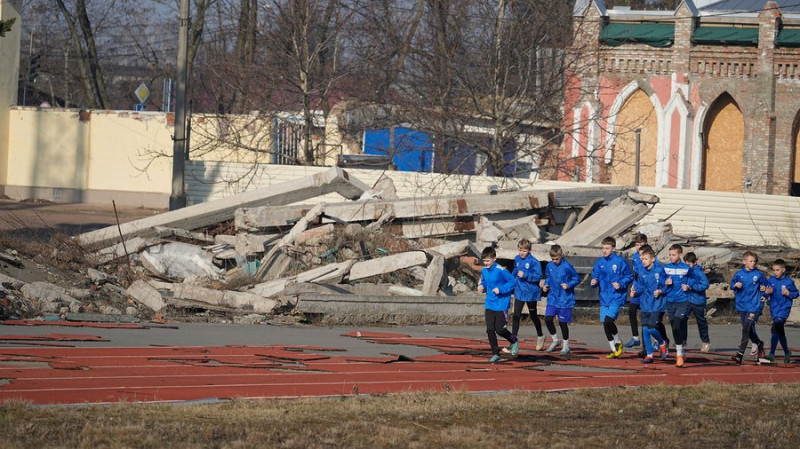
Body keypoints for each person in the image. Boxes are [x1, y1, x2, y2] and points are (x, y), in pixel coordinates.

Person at [591, 236, 634, 359]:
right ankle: (613, 349)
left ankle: (618, 342)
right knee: (605, 323)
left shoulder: (620, 261)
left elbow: (629, 276)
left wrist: (620, 284)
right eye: (603, 248)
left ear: (614, 248)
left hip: (617, 296)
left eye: (607, 248)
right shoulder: (600, 262)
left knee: (609, 320)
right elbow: (595, 276)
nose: (604, 250)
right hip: (604, 297)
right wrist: (594, 282)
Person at [477, 246, 519, 363]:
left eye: (488, 261)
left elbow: (513, 282)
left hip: (501, 303)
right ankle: (496, 353)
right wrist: (482, 286)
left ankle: (514, 341)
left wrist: (500, 289)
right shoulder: (484, 270)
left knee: (500, 330)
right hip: (489, 303)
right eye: (484, 261)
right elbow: (485, 281)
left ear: (494, 259)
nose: (486, 263)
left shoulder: (501, 270)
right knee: (490, 329)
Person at [540, 244, 581, 356]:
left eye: (557, 259)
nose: (555, 261)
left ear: (561, 255)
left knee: (563, 323)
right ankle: (555, 340)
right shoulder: (549, 265)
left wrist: (568, 285)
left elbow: (577, 278)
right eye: (552, 259)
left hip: (564, 299)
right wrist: (546, 285)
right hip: (553, 297)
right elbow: (548, 276)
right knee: (548, 319)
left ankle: (566, 345)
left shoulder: (567, 266)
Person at [630, 246, 668, 363]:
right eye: (642, 259)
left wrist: (661, 291)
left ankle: (662, 342)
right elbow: (640, 288)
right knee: (646, 330)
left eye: (646, 259)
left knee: (651, 328)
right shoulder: (641, 272)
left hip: (656, 305)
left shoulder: (660, 270)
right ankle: (650, 355)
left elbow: (667, 285)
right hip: (645, 304)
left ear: (653, 259)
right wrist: (635, 293)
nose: (643, 261)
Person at [730, 251, 768, 365]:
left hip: (754, 306)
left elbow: (767, 287)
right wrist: (735, 285)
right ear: (744, 261)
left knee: (746, 327)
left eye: (754, 261)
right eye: (751, 261)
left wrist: (764, 294)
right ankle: (759, 343)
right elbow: (732, 285)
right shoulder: (738, 274)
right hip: (742, 305)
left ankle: (740, 354)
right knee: (748, 330)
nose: (753, 263)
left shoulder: (759, 275)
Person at [508, 239, 545, 352]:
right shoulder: (517, 259)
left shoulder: (534, 262)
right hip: (519, 291)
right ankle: (513, 341)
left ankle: (540, 336)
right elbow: (515, 269)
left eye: (524, 250)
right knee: (516, 316)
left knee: (533, 316)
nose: (521, 253)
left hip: (530, 293)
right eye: (520, 250)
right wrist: (510, 277)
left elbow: (538, 276)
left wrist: (525, 275)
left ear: (529, 250)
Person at [764, 259, 799, 363]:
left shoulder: (788, 282)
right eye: (774, 270)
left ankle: (771, 354)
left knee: (776, 327)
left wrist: (789, 294)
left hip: (784, 309)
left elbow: (796, 293)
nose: (775, 272)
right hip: (774, 309)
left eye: (777, 270)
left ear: (783, 270)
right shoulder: (771, 280)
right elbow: (766, 292)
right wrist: (766, 294)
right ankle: (787, 352)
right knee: (780, 331)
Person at [662, 244, 691, 367]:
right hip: (670, 301)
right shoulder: (665, 268)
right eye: (669, 255)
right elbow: (659, 282)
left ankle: (679, 354)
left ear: (680, 255)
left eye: (673, 255)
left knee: (677, 325)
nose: (671, 257)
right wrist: (665, 282)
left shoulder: (686, 268)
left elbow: (695, 278)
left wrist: (688, 285)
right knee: (674, 326)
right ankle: (682, 351)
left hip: (682, 301)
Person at [624, 233, 650, 349]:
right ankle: (635, 337)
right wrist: (633, 286)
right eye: (637, 244)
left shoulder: (650, 256)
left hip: (646, 290)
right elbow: (635, 274)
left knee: (648, 317)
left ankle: (654, 341)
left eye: (640, 244)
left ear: (646, 244)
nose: (638, 247)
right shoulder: (635, 256)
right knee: (631, 310)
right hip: (637, 288)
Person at [683, 252, 711, 353]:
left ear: (694, 263)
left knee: (701, 322)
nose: (687, 266)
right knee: (681, 319)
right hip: (687, 300)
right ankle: (682, 340)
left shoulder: (698, 272)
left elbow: (705, 285)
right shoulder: (685, 271)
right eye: (685, 264)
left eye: (689, 264)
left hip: (698, 301)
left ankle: (705, 342)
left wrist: (693, 287)